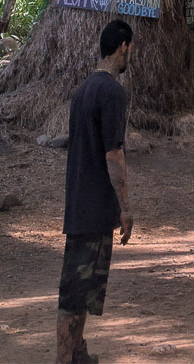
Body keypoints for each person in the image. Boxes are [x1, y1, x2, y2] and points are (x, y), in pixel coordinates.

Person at [56, 18, 135, 364]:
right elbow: (113, 153)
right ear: (122, 48)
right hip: (92, 209)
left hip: (82, 204)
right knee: (74, 295)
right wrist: (126, 206)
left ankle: (78, 353)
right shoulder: (113, 93)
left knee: (86, 290)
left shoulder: (83, 89)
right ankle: (63, 358)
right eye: (130, 50)